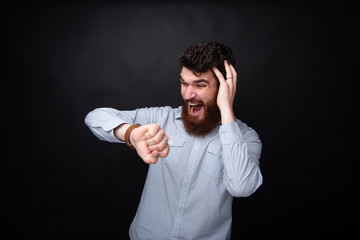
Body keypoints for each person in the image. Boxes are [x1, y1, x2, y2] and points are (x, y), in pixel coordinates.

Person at [85, 42, 262, 240]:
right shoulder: (162, 118)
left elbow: (242, 187)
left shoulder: (246, 138)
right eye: (184, 83)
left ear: (224, 88)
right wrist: (131, 134)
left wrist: (226, 109)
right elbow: (95, 117)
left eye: (200, 85)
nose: (187, 94)